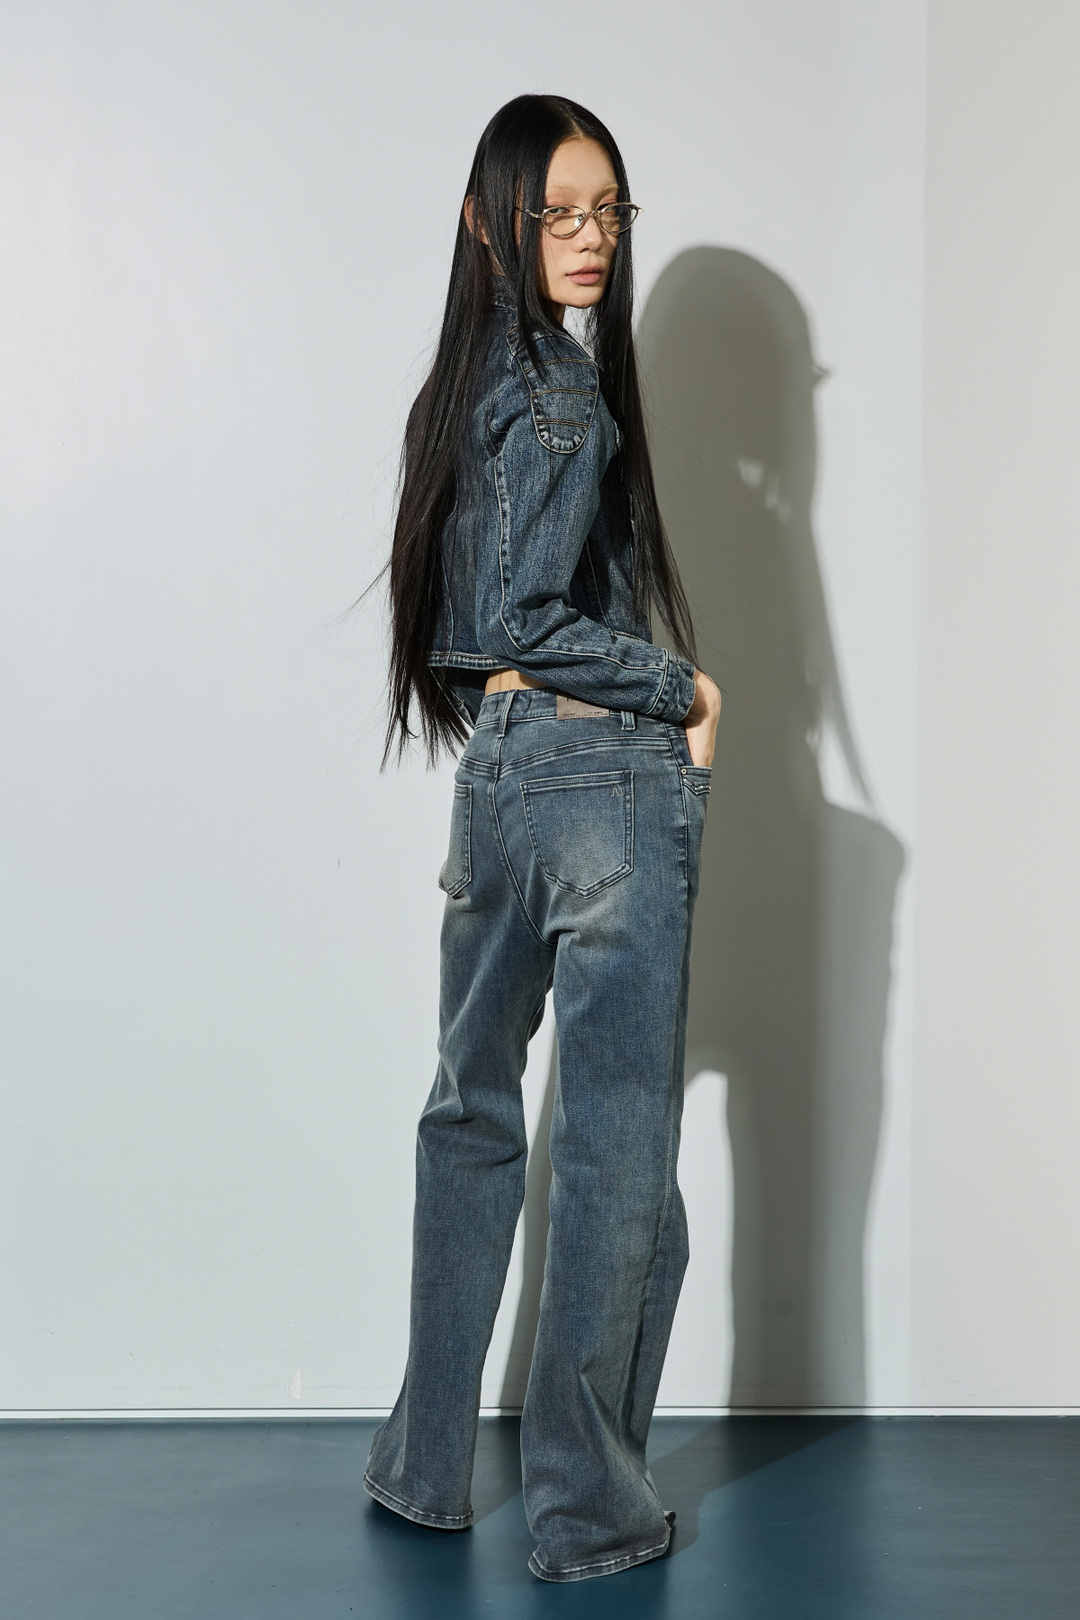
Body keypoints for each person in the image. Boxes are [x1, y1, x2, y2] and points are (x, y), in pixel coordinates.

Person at [363, 93, 722, 1584]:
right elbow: (523, 614)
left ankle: (422, 1466)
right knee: (619, 1152)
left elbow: (469, 636)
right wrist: (683, 690)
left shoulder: (460, 390)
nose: (588, 241)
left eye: (607, 213)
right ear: (486, 221)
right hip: (601, 780)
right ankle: (587, 1513)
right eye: (556, 213)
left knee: (469, 1111)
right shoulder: (567, 398)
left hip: (496, 778)